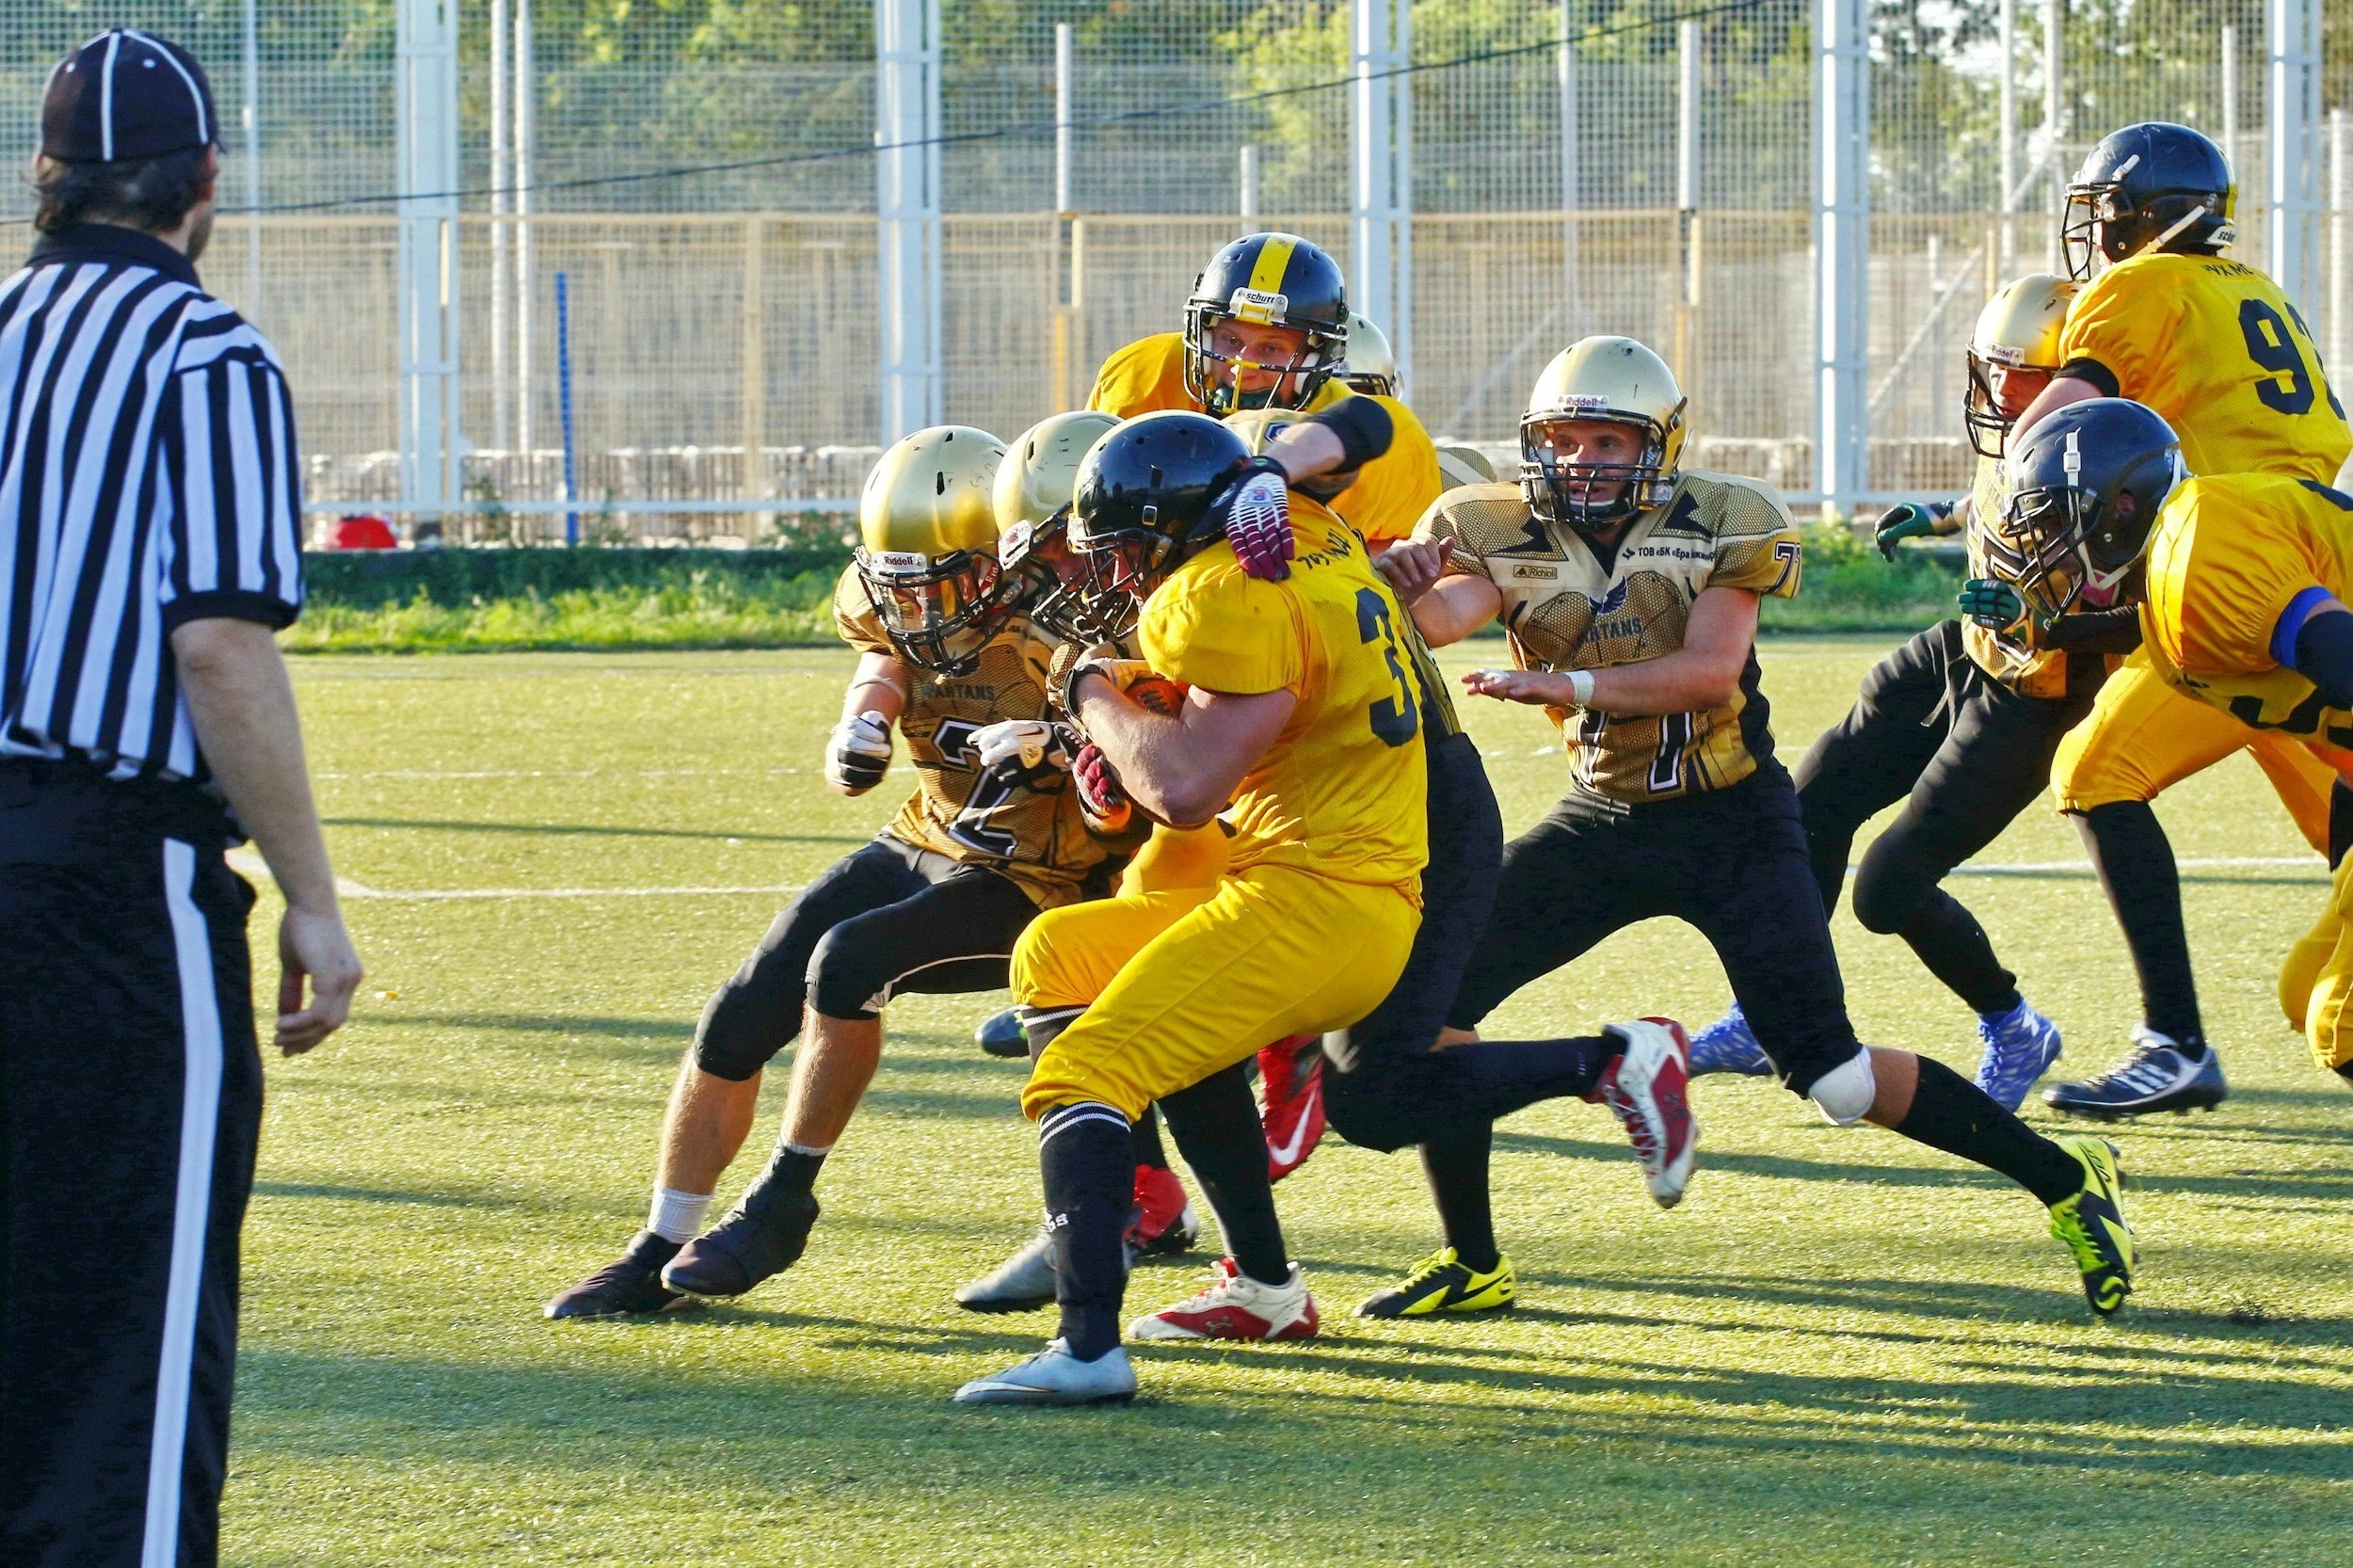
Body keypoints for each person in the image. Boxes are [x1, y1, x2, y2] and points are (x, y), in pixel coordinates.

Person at [1389, 335, 2140, 1321]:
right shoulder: (1497, 524)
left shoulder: (1724, 519)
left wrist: (1564, 682)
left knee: (1829, 1076)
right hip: (1600, 821)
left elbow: (1707, 669)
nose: (1582, 461)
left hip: (1731, 824)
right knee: (1434, 1013)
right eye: (1564, 439)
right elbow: (1449, 613)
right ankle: (1473, 1260)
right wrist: (1396, 587)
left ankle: (2064, 1175)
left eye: (1607, 440)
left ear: (1657, 444)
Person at [1, 29, 363, 1568]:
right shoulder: (202, 354)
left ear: (47, 180)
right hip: (104, 881)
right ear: (206, 183)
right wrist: (318, 899)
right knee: (130, 1319)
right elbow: (216, 643)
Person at [544, 424, 1141, 1319]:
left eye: (935, 582)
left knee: (849, 962)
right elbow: (886, 649)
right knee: (746, 1004)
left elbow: (1135, 776)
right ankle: (658, 1242)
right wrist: (860, 722)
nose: (913, 604)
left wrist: (1061, 749)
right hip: (933, 831)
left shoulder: (1073, 618)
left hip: (1046, 873)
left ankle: (783, 1201)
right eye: (896, 583)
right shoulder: (900, 593)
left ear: (1003, 555)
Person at [949, 410, 1434, 1402]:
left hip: (1319, 901)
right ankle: (1263, 1286)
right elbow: (1360, 431)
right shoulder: (1310, 532)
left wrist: (1088, 690)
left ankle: (1087, 1348)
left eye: (1130, 550)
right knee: (1062, 952)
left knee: (1089, 1065)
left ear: (1175, 528)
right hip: (1332, 887)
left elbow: (1182, 790)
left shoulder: (1218, 596)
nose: (1122, 575)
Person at [1687, 275, 2138, 1111]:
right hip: (1963, 653)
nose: (2003, 390)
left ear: (2073, 377)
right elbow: (2011, 495)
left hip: (2037, 691)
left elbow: (2148, 614)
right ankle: (1766, 1014)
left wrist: (2044, 620)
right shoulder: (2037, 434)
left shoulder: (2122, 459)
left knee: (1887, 888)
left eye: (2024, 375)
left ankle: (2013, 1024)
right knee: (1808, 801)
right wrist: (1940, 513)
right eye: (1993, 369)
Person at [2009, 121, 2351, 1118]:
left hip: (2223, 558)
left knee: (2095, 770)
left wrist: (1989, 503)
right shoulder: (2252, 291)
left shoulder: (2137, 288)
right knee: (2331, 818)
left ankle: (2172, 1043)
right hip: (2291, 549)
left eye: (2105, 214)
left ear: (2135, 217)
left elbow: (2064, 427)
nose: (2097, 237)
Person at [1999, 398, 2353, 1090]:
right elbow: (2160, 624)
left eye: (2056, 522)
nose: (2046, 547)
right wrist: (2048, 629)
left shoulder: (2205, 550)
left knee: (2340, 1026)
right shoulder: (2176, 572)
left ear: (2122, 506)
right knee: (2304, 989)